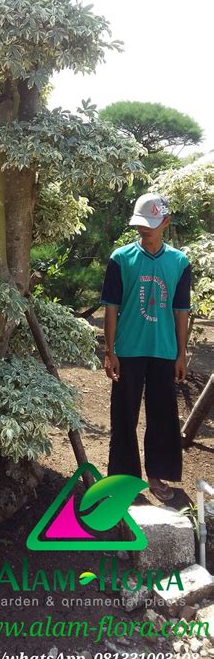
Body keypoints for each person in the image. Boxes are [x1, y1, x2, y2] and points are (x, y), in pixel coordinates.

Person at [100, 193, 191, 501]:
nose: (144, 230)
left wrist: (181, 353)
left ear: (165, 222)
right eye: (140, 224)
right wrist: (109, 350)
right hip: (128, 349)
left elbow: (181, 311)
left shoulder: (179, 262)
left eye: (151, 224)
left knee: (163, 414)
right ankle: (124, 480)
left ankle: (157, 475)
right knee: (123, 415)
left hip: (164, 351)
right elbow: (111, 307)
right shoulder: (121, 258)